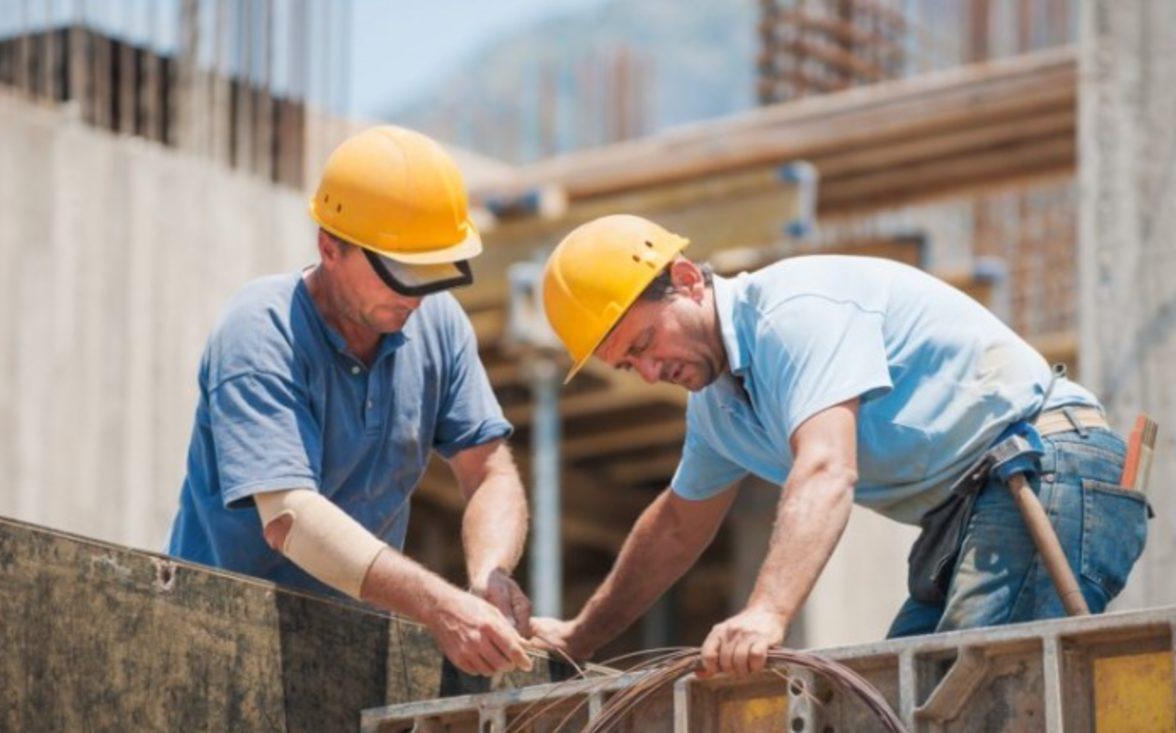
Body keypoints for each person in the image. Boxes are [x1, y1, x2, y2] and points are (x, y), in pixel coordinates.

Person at [530, 214, 1150, 675]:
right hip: (976, 510)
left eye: (644, 343)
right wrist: (580, 639)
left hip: (1049, 471)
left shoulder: (793, 313)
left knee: (972, 695)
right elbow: (674, 529)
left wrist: (766, 613)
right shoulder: (718, 409)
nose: (647, 371)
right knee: (893, 699)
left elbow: (826, 468)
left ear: (688, 281)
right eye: (626, 366)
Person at [168, 126, 532, 677]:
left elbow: (490, 473)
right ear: (329, 247)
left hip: (350, 651)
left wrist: (490, 575)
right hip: (218, 643)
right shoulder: (261, 331)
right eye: (399, 271)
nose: (415, 293)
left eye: (431, 271)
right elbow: (289, 517)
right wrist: (437, 604)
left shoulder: (438, 324)